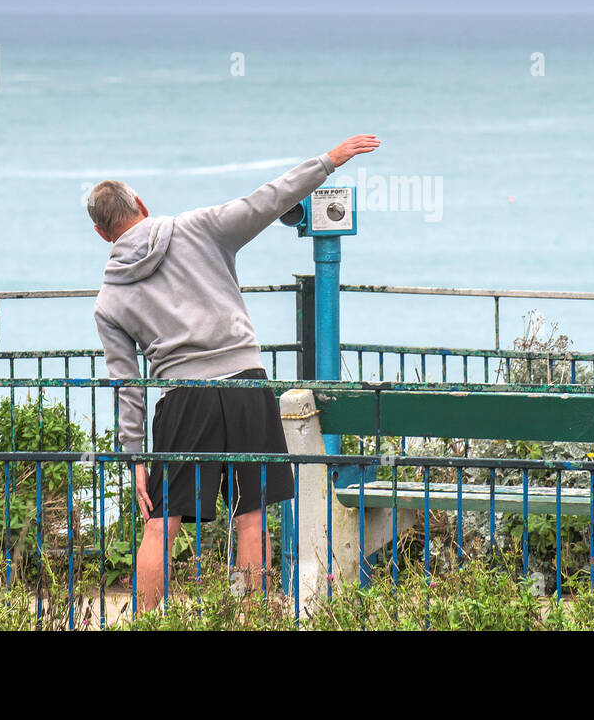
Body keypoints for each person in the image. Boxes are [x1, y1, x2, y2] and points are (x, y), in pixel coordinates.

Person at [87, 135, 380, 608]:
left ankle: (147, 622)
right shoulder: (199, 228)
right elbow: (268, 199)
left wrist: (135, 458)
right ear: (141, 204)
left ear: (102, 234)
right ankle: (250, 619)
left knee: (161, 524)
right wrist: (327, 162)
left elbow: (129, 388)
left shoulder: (109, 301)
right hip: (245, 385)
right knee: (251, 518)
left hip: (182, 399)